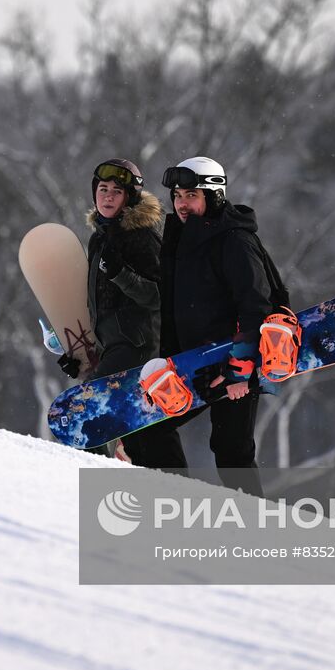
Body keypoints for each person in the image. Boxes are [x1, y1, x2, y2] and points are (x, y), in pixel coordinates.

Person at [125, 156, 283, 497]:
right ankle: (173, 505)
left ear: (214, 196)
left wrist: (241, 369)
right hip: (193, 363)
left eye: (191, 196)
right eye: (178, 196)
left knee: (231, 452)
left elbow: (256, 304)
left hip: (233, 365)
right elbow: (173, 307)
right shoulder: (181, 239)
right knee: (149, 431)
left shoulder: (234, 241)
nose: (182, 204)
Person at [56, 159, 163, 455]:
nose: (107, 196)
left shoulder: (144, 238)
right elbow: (97, 306)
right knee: (102, 426)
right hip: (111, 346)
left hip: (139, 347)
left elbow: (159, 298)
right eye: (103, 189)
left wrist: (120, 274)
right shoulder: (98, 240)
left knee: (86, 415)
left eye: (117, 191)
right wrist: (81, 353)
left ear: (130, 197)